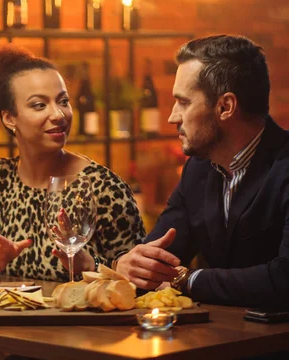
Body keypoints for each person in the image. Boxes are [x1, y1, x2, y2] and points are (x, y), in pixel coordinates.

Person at [0, 44, 145, 281]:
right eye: (39, 105)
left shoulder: (103, 186)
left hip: (80, 317)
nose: (58, 115)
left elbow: (140, 277)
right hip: (8, 315)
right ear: (9, 117)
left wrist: (92, 265)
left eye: (63, 101)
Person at [114, 35, 289, 308]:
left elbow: (283, 279)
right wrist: (128, 264)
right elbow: (157, 259)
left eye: (183, 102)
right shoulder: (198, 169)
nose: (172, 116)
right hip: (215, 341)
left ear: (225, 107)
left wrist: (187, 280)